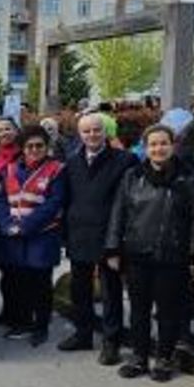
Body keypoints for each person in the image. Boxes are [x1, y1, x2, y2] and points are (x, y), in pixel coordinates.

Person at [105, 125, 194, 383]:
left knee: (168, 311)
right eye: (153, 144)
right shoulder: (132, 176)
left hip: (173, 256)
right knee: (138, 310)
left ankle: (164, 358)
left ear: (173, 145)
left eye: (164, 143)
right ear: (145, 148)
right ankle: (139, 357)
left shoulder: (189, 178)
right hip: (137, 254)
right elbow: (119, 213)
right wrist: (113, 248)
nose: (158, 149)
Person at [59, 112, 138, 363]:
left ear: (105, 132)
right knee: (79, 289)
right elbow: (67, 199)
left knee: (110, 291)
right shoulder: (71, 162)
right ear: (79, 135)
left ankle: (111, 342)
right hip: (79, 234)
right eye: (86, 131)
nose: (92, 135)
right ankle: (83, 334)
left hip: (109, 236)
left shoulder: (125, 160)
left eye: (96, 130)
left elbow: (129, 202)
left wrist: (118, 241)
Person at [0, 125, 66, 347]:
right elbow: (1, 200)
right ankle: (20, 320)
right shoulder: (11, 169)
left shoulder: (57, 169)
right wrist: (6, 224)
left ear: (47, 147)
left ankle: (40, 326)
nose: (34, 149)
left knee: (40, 283)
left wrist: (25, 226)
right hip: (12, 235)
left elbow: (55, 203)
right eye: (30, 146)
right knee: (15, 280)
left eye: (39, 145)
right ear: (23, 148)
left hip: (42, 236)